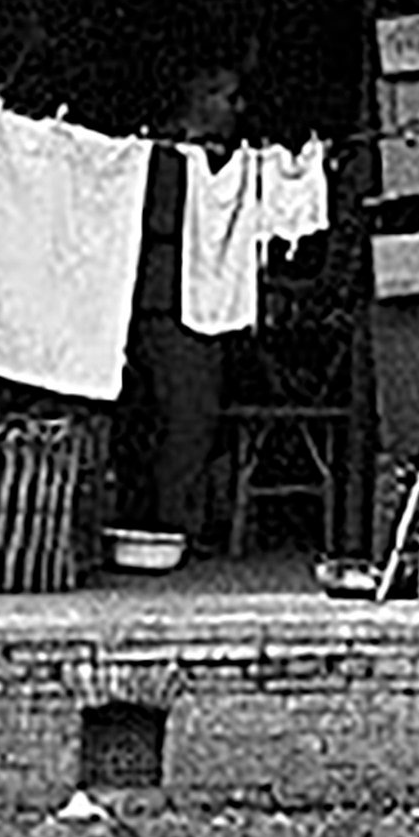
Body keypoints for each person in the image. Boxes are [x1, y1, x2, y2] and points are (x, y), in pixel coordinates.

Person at [120, 63, 242, 545]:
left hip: (189, 300)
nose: (238, 110)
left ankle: (165, 521)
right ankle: (163, 525)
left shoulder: (227, 159)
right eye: (229, 98)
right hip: (168, 303)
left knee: (182, 419)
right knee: (180, 417)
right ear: (203, 96)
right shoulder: (158, 155)